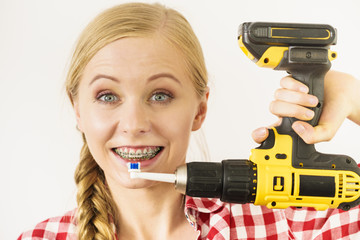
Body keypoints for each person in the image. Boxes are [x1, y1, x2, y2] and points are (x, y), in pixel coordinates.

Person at [18, 2, 360, 240]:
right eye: (108, 97)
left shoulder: (290, 222)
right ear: (77, 109)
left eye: (160, 95)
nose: (134, 123)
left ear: (199, 110)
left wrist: (355, 100)